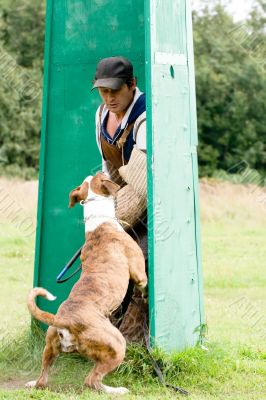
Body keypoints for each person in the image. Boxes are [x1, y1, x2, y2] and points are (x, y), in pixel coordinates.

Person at [92, 56, 148, 342]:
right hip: (122, 201)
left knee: (141, 269)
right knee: (107, 265)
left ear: (132, 84)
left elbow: (142, 182)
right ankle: (101, 338)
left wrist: (112, 220)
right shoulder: (102, 115)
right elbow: (109, 171)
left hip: (150, 205)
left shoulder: (145, 116)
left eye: (115, 90)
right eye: (104, 91)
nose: (110, 98)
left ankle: (135, 344)